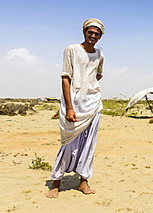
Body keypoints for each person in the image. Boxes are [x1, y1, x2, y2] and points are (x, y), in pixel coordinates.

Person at [46, 18, 105, 198]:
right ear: (84, 32)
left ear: (100, 36)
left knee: (89, 145)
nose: (93, 36)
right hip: (74, 104)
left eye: (97, 33)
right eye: (90, 32)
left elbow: (98, 75)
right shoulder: (71, 50)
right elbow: (65, 78)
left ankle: (83, 181)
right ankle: (56, 182)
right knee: (69, 143)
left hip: (93, 104)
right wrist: (70, 107)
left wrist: (88, 87)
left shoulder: (100, 54)